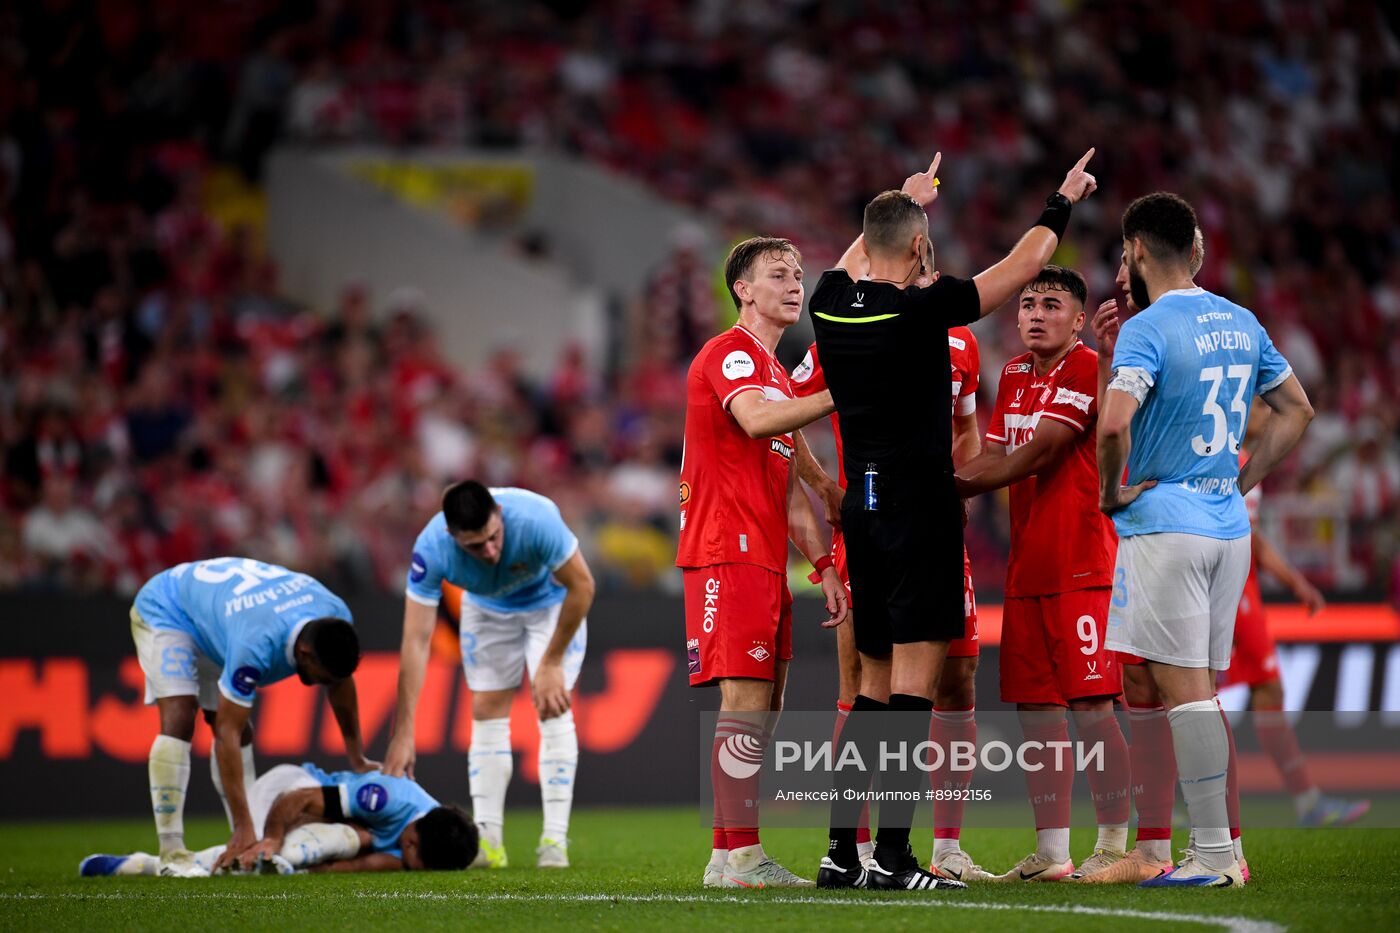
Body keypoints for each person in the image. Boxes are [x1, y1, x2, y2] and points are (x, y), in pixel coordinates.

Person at [810, 149, 1099, 891]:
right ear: (917, 248)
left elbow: (865, 250)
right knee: (915, 688)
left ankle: (843, 852)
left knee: (871, 689)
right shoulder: (922, 308)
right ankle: (899, 859)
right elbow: (1024, 260)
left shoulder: (829, 299)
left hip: (861, 509)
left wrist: (906, 203)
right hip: (919, 506)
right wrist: (1061, 200)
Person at [1098, 192, 1313, 888]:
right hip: (1228, 527)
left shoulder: (1149, 326)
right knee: (1199, 692)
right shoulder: (1242, 320)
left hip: (1167, 524)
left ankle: (1215, 856)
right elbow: (1297, 409)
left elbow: (1111, 426)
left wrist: (1111, 493)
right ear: (1194, 249)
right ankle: (1208, 847)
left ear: (1134, 251)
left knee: (1183, 693)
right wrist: (1243, 481)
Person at [792, 277, 987, 881]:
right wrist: (823, 481)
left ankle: (844, 854)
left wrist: (965, 485)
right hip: (906, 520)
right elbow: (780, 406)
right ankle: (893, 856)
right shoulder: (866, 329)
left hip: (877, 516)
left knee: (898, 686)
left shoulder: (953, 345)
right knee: (896, 689)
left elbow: (964, 428)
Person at [679, 235, 849, 889]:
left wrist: (825, 564)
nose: (794, 282)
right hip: (728, 548)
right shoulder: (730, 355)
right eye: (777, 273)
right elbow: (754, 423)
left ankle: (727, 856)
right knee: (745, 702)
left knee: (767, 704)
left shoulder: (777, 373)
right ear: (743, 290)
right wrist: (846, 394)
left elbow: (792, 487)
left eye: (799, 273)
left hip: (765, 556)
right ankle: (745, 856)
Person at [954, 266, 1131, 883]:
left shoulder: (1086, 367)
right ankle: (1054, 852)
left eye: (1051, 304)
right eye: (1027, 303)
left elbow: (1041, 451)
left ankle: (1112, 842)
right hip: (1028, 568)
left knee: (1092, 706)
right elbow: (996, 455)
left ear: (1078, 319)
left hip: (1082, 564)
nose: (1033, 313)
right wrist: (944, 474)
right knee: (1036, 711)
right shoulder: (1014, 375)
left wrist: (943, 486)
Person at [384, 480, 594, 870]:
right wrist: (404, 730)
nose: (491, 551)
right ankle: (489, 841)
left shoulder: (537, 518)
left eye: (494, 537)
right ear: (451, 536)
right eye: (475, 546)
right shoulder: (431, 549)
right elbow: (415, 640)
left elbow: (582, 586)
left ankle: (554, 842)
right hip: (487, 609)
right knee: (486, 709)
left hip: (550, 605)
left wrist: (550, 663)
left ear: (499, 514)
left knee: (552, 704)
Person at [129, 557, 371, 877]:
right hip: (169, 605)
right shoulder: (257, 643)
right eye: (323, 676)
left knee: (243, 733)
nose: (327, 683)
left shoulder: (335, 614)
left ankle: (247, 842)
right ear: (305, 654)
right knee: (181, 717)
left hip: (221, 615)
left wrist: (357, 757)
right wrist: (244, 825)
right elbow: (225, 733)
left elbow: (341, 683)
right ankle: (172, 853)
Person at [1221, 399, 1371, 827]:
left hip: (1242, 594)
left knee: (1257, 691)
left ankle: (1305, 800)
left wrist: (1295, 583)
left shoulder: (1247, 461)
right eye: (1260, 406)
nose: (1268, 413)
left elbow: (1251, 540)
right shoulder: (1222, 459)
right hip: (1224, 594)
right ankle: (1187, 800)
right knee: (1194, 697)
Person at [81, 762, 477, 875]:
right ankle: (157, 865)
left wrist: (315, 870)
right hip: (287, 790)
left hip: (314, 828)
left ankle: (138, 865)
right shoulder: (387, 800)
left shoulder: (426, 839)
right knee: (344, 836)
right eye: (417, 863)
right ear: (412, 840)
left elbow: (357, 864)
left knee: (354, 841)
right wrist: (270, 839)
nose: (414, 869)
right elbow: (296, 800)